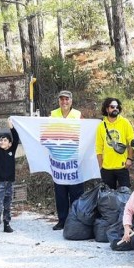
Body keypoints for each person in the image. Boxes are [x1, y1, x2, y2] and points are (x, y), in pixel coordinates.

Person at [50, 90, 84, 230]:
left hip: (74, 160)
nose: (64, 102)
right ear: (59, 101)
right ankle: (62, 220)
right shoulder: (53, 114)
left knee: (76, 193)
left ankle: (76, 221)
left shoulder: (78, 115)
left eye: (67, 99)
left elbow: (85, 133)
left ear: (71, 101)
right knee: (60, 193)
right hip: (59, 161)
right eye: (62, 99)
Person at [96, 97, 134, 190]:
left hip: (122, 166)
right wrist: (101, 165)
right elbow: (98, 147)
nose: (115, 109)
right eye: (112, 107)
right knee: (108, 198)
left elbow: (131, 142)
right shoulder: (101, 126)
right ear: (106, 109)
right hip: (106, 168)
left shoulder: (125, 122)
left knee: (125, 196)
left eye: (117, 107)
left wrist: (129, 159)